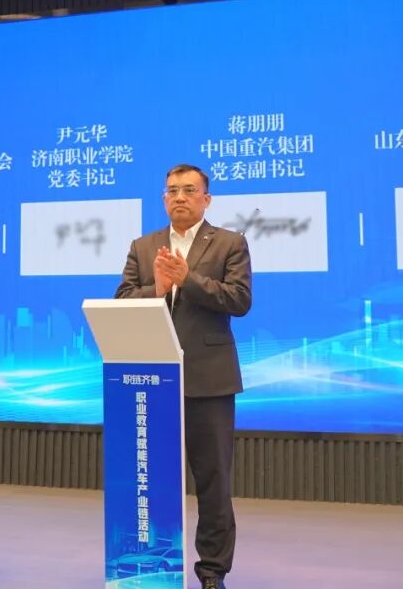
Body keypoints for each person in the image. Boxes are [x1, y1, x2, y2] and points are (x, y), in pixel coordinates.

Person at [115, 164, 252, 589]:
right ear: (163, 198)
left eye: (189, 190)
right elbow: (122, 299)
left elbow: (239, 300)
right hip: (152, 380)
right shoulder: (144, 246)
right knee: (152, 479)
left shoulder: (229, 243)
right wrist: (156, 289)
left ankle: (212, 570)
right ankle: (154, 564)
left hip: (209, 379)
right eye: (172, 190)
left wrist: (187, 279)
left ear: (206, 199)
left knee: (213, 481)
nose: (179, 197)